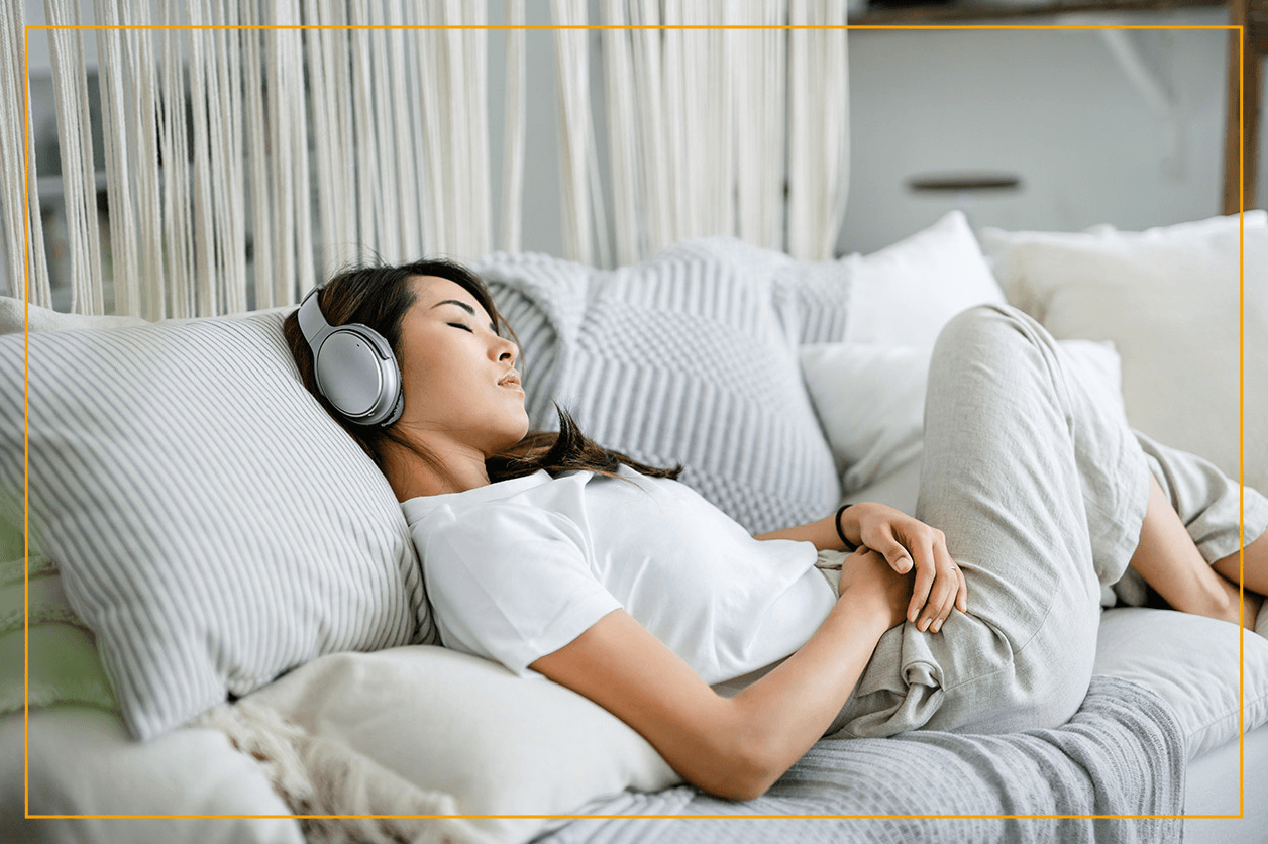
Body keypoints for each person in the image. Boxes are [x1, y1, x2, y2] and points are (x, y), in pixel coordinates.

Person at [283, 257, 1268, 802]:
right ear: (364, 376)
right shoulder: (485, 551)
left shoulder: (521, 505)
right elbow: (733, 749)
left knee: (1087, 441)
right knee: (995, 340)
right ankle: (1212, 610)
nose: (503, 344)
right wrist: (864, 600)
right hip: (949, 658)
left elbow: (720, 590)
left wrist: (845, 522)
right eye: (460, 324)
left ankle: (1213, 596)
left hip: (900, 611)